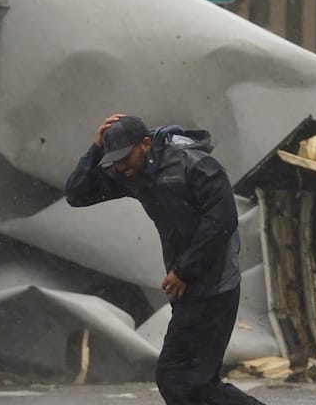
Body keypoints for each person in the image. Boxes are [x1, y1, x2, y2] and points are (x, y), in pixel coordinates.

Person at [65, 113, 263, 405]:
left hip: (215, 286)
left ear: (145, 143)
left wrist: (184, 270)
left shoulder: (194, 165)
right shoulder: (135, 173)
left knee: (178, 379)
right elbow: (77, 194)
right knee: (191, 384)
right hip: (188, 289)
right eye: (113, 160)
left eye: (124, 157)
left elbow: (222, 220)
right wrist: (95, 150)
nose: (119, 167)